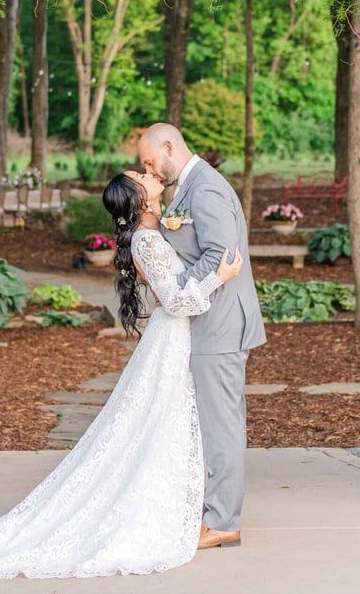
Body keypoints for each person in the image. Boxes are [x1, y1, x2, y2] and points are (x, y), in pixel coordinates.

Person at [0, 168, 242, 578]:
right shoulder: (148, 240)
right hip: (171, 338)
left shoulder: (153, 233)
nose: (149, 172)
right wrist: (217, 277)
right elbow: (173, 300)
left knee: (159, 426)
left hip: (174, 341)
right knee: (155, 425)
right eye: (142, 174)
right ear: (139, 199)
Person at [137, 122, 266, 550]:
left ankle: (224, 521)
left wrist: (176, 289)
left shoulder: (206, 189)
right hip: (207, 322)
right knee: (212, 423)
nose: (150, 170)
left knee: (222, 425)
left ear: (169, 146)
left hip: (221, 324)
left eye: (150, 161)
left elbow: (221, 255)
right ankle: (213, 511)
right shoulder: (189, 188)